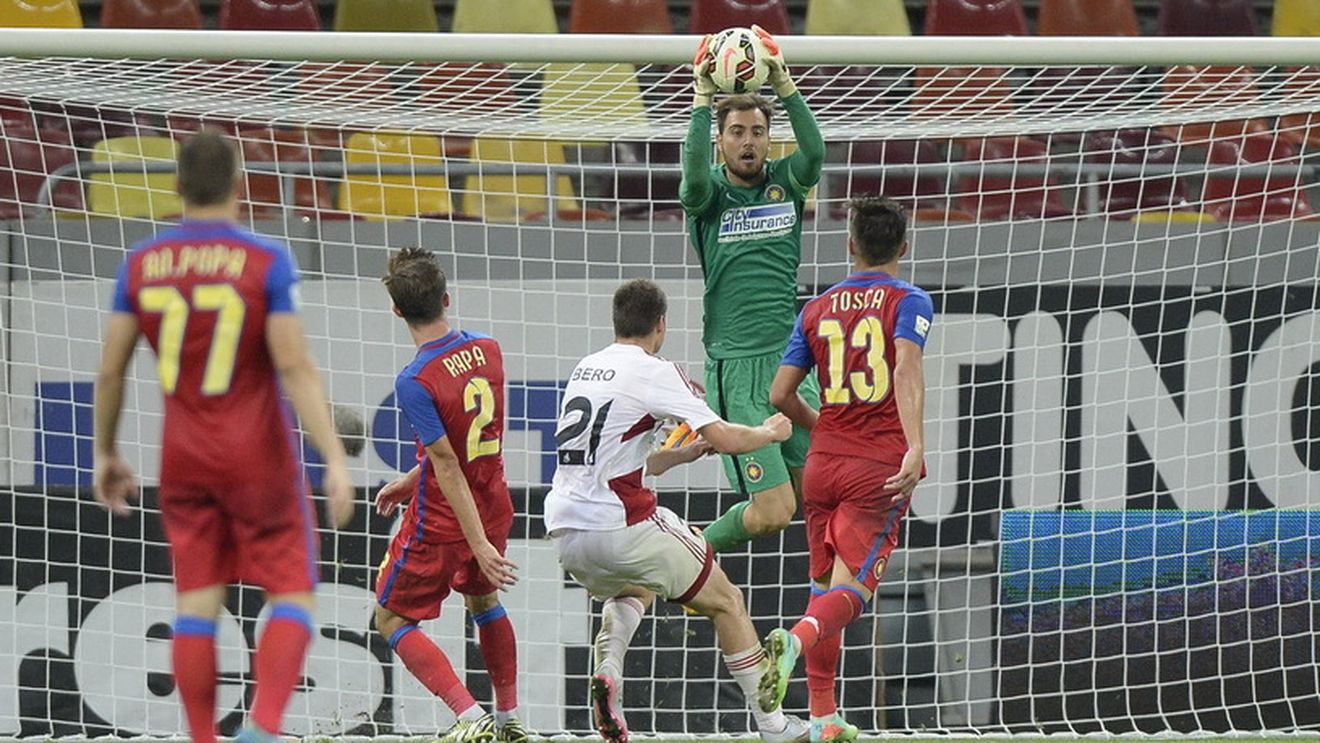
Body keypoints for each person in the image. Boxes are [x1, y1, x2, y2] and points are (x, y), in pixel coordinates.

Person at [92, 129, 355, 743]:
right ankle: (262, 729)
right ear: (239, 184)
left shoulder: (142, 262)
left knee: (196, 605)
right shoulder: (265, 259)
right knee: (291, 592)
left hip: (182, 456)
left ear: (177, 185)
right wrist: (334, 455)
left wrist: (105, 451)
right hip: (257, 452)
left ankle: (204, 737)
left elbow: (110, 369)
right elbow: (292, 366)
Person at [545, 278, 809, 743]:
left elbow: (617, 459)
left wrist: (678, 457)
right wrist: (769, 432)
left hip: (567, 534)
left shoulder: (586, 368)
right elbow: (726, 437)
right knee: (727, 601)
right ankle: (775, 726)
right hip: (621, 524)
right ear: (661, 325)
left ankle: (608, 670)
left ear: (617, 322)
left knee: (633, 586)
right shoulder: (654, 370)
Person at [759, 197, 933, 743]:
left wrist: (825, 428)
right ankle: (795, 639)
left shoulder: (815, 308)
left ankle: (822, 718)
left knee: (822, 587)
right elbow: (905, 364)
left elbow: (779, 394)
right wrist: (916, 445)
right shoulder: (909, 299)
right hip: (876, 466)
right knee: (852, 593)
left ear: (849, 245)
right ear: (904, 247)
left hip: (821, 465)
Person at [681, 26, 827, 553]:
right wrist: (703, 101)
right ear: (720, 140)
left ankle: (827, 608)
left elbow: (815, 153)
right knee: (772, 512)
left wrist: (785, 84)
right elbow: (693, 180)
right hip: (736, 372)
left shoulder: (785, 183)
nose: (749, 141)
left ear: (770, 137)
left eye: (758, 132)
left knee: (822, 490)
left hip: (790, 366)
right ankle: (691, 552)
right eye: (737, 131)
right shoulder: (710, 195)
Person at [372, 247, 525, 743]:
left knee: (390, 616)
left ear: (396, 311)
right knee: (483, 601)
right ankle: (508, 719)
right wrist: (411, 478)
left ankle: (467, 715)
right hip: (494, 500)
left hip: (444, 520)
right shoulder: (491, 349)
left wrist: (474, 541)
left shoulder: (414, 380)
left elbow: (446, 461)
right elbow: (467, 444)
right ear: (446, 297)